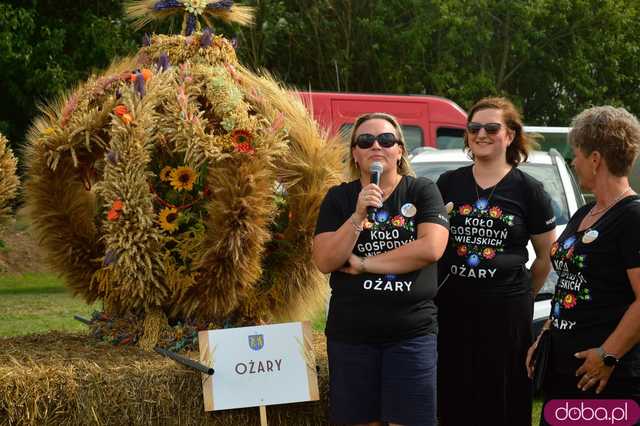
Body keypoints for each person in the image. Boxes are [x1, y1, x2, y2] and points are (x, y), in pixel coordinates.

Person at [312, 112, 449, 426]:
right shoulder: (339, 199)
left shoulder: (422, 191)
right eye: (365, 141)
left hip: (410, 334)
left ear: (399, 151)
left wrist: (363, 263)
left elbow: (430, 248)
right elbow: (325, 260)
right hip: (352, 337)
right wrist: (358, 216)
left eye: (386, 139)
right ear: (356, 155)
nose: (377, 146)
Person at [436, 97, 556, 425]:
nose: (482, 134)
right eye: (474, 128)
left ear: (510, 135)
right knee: (454, 393)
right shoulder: (448, 183)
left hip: (507, 314)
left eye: (492, 128)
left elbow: (546, 256)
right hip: (453, 309)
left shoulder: (530, 190)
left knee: (502, 395)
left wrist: (523, 295)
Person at [526, 106, 640, 417]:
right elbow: (567, 284)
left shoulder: (632, 216)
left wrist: (608, 354)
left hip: (606, 379)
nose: (572, 162)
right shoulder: (583, 214)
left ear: (595, 159)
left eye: (576, 154)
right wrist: (547, 332)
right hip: (564, 372)